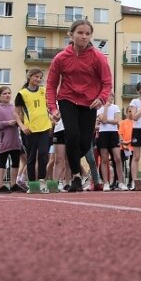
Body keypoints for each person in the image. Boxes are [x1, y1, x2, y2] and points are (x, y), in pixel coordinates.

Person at [46, 19, 112, 193]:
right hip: (67, 100)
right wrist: (53, 108)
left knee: (84, 143)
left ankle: (74, 164)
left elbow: (107, 83)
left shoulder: (98, 57)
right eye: (80, 33)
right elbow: (51, 85)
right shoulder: (60, 58)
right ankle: (75, 176)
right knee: (72, 135)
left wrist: (102, 98)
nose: (84, 36)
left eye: (87, 33)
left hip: (89, 103)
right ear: (71, 34)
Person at [15, 68, 52, 193]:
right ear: (29, 77)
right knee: (30, 158)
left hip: (44, 128)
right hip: (29, 131)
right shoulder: (22, 94)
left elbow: (49, 106)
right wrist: (22, 126)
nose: (38, 79)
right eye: (36, 77)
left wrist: (53, 116)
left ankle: (42, 182)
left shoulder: (44, 91)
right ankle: (32, 184)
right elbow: (17, 113)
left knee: (43, 155)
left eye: (40, 77)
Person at [0, 86, 26, 193]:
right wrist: (8, 123)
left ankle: (13, 184)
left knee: (15, 162)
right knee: (2, 162)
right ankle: (0, 185)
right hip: (3, 141)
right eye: (4, 93)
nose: (7, 95)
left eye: (9, 93)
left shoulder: (14, 108)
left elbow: (20, 121)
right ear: (0, 96)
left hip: (15, 141)